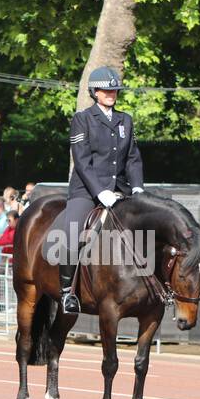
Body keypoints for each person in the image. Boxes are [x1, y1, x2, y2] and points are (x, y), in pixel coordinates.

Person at [52, 65, 145, 314]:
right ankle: (66, 293)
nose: (111, 93)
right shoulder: (82, 119)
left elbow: (133, 158)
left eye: (114, 89)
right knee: (71, 232)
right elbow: (82, 161)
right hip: (86, 191)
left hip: (120, 190)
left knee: (147, 229)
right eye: (106, 89)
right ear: (94, 92)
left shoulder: (125, 120)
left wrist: (137, 188)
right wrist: (100, 191)